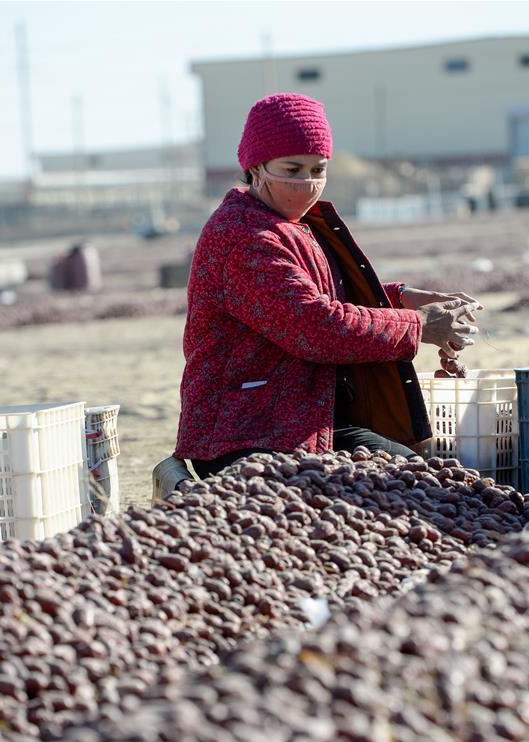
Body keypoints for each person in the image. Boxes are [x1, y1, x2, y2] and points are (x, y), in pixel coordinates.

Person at [153, 93, 481, 497]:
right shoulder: (242, 235)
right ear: (256, 168)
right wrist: (419, 327)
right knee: (394, 491)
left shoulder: (293, 224)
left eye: (317, 169)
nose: (306, 182)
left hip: (306, 414)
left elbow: (329, 297)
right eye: (292, 169)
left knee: (419, 480)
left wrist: (402, 299)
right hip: (245, 431)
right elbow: (315, 325)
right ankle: (183, 492)